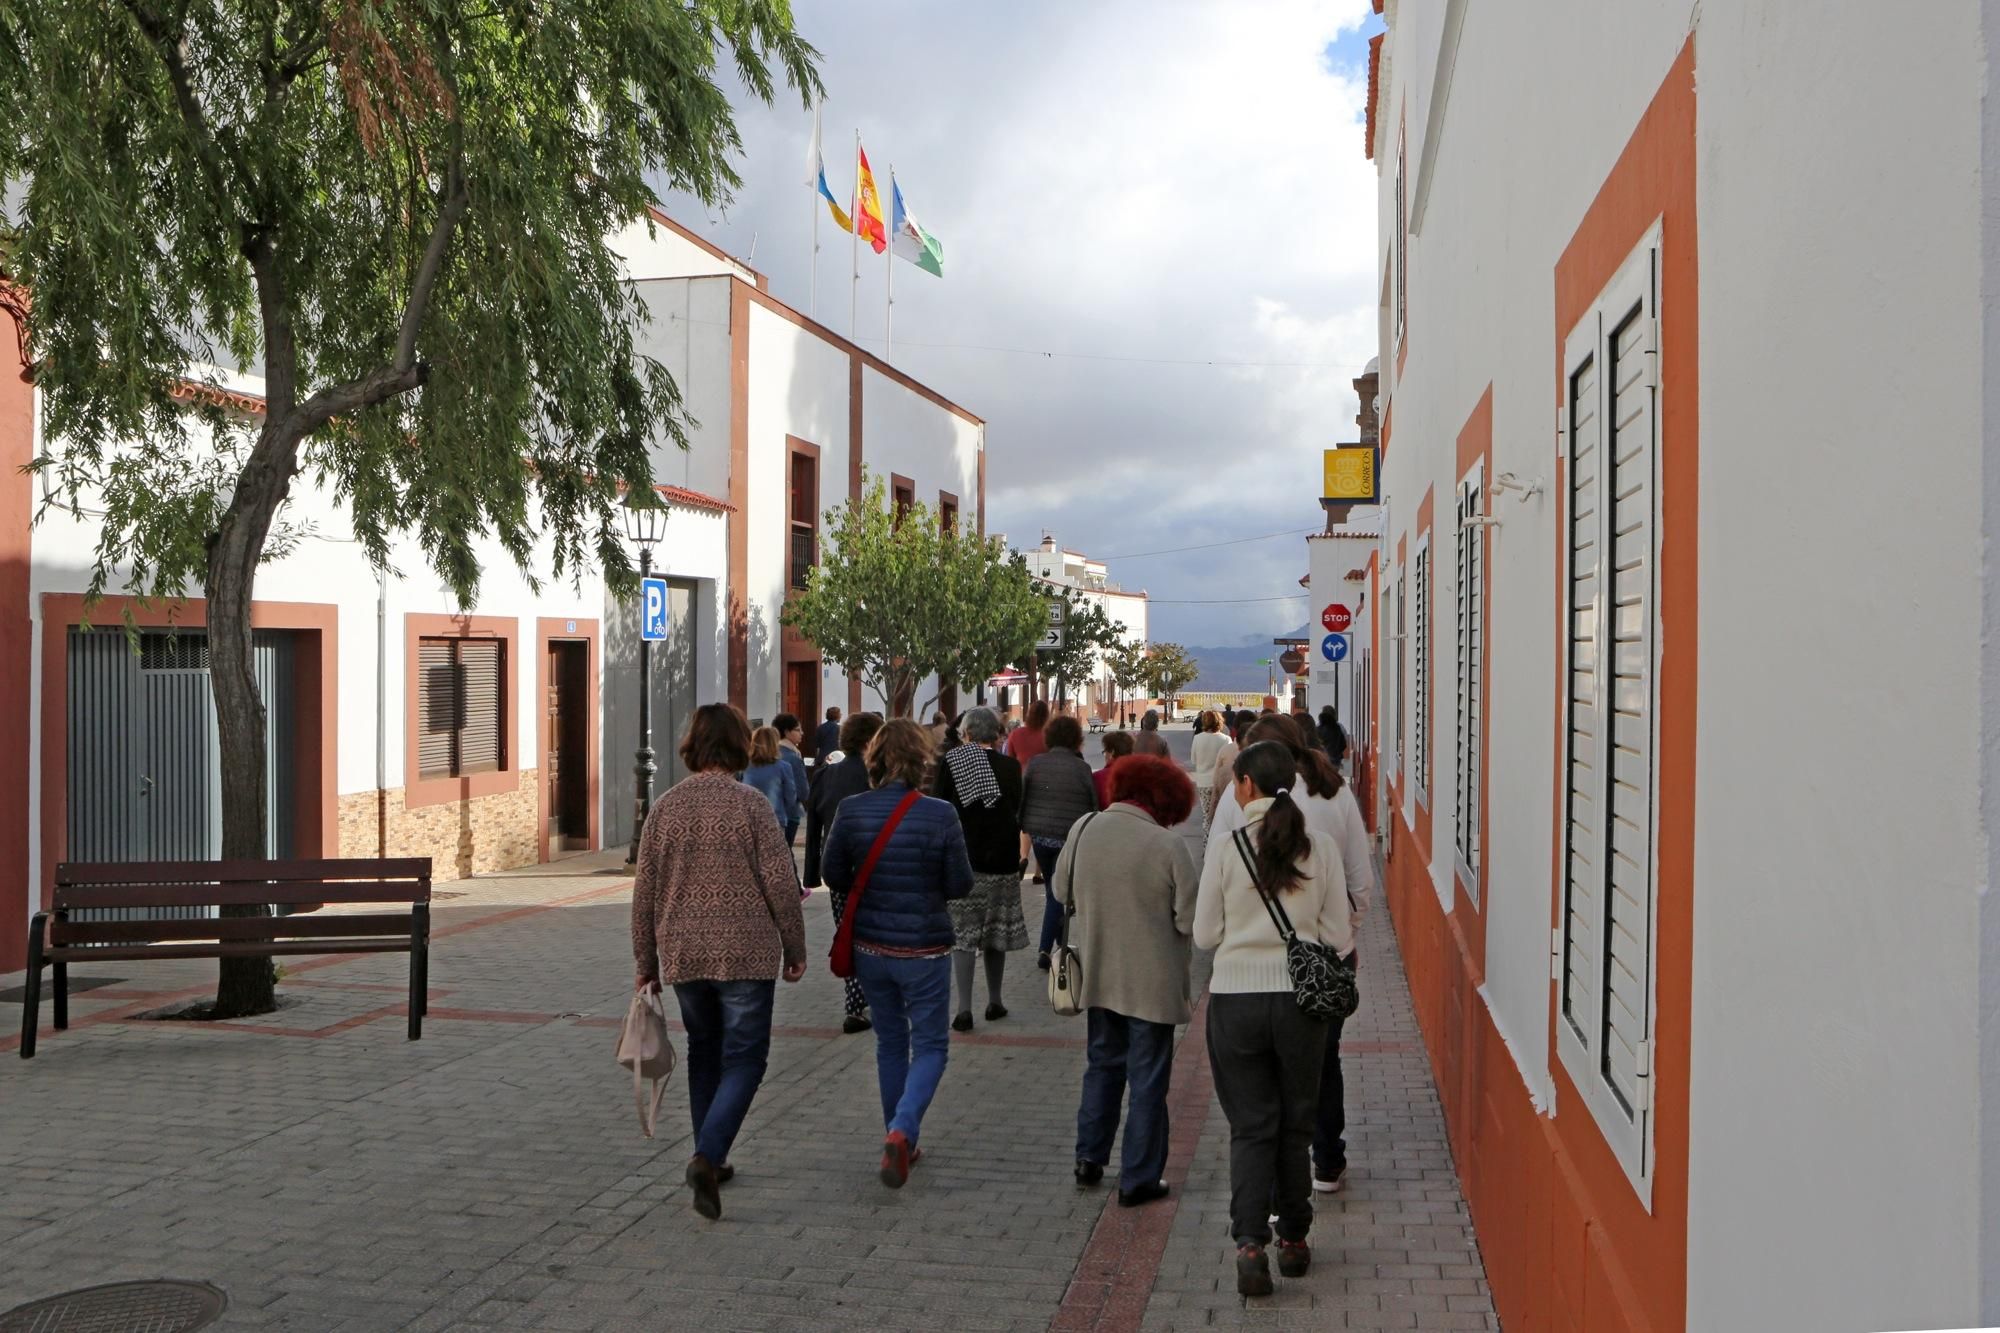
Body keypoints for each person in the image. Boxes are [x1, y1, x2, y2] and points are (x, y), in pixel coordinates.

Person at [631, 703, 807, 1222]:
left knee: (706, 1052)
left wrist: (646, 961)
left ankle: (714, 1154)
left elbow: (645, 894)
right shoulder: (751, 806)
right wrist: (795, 950)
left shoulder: (665, 808)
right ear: (738, 747)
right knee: (747, 1059)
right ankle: (707, 1155)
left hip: (685, 953)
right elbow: (780, 883)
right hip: (746, 951)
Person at [1195, 740, 1351, 1295]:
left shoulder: (1226, 848)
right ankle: (1294, 1240)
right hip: (1300, 1007)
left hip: (1235, 1001)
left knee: (1251, 1126)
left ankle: (1248, 1244)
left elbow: (1204, 934)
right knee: (1295, 1123)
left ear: (1244, 786)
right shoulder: (1322, 847)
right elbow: (1339, 936)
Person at [821, 720, 975, 1188]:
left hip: (871, 946)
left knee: (890, 1042)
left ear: (874, 758)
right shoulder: (940, 814)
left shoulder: (851, 810)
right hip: (925, 948)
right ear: (921, 760)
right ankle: (902, 1131)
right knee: (930, 1044)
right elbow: (960, 883)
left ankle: (901, 1137)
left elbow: (834, 875)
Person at [1060, 755, 1199, 1206]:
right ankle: (1138, 1177)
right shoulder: (1168, 846)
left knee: (1102, 1065)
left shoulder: (1084, 829)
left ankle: (1089, 1158)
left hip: (1099, 975)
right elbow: (1189, 920)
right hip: (1151, 984)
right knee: (1148, 1079)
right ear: (1166, 801)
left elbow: (1062, 892)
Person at [931, 707, 1029, 1032]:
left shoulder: (951, 763)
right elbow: (1015, 808)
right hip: (1002, 860)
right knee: (995, 934)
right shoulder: (1011, 766)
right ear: (996, 734)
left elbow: (939, 807)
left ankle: (963, 1008)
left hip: (962, 861)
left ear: (968, 733)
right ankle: (996, 1001)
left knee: (963, 937)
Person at [804, 711, 884, 1033]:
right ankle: (870, 1001)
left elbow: (813, 826)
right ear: (869, 742)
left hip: (837, 872)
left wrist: (812, 873)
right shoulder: (879, 776)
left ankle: (856, 1003)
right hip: (877, 871)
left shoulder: (825, 775)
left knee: (848, 933)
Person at [1021, 714, 1100, 969]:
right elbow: (1093, 805)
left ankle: (1059, 944)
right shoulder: (1082, 768)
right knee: (1058, 895)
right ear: (1076, 739)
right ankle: (1045, 949)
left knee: (1053, 892)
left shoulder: (1035, 763)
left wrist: (1022, 825)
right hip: (1069, 838)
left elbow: (1024, 797)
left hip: (1040, 837)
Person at [1007, 700, 1052, 880]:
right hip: (1044, 783)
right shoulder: (1048, 735)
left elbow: (1009, 759)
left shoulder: (1016, 734)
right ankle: (1039, 873)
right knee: (1041, 826)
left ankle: (1023, 857)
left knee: (1025, 823)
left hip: (1022, 782)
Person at [743, 726, 804, 843]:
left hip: (748, 821)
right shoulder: (784, 767)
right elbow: (790, 797)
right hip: (775, 819)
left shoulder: (744, 767)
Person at [1190, 710, 1231, 833]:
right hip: (1220, 783)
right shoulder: (1226, 739)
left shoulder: (1197, 738)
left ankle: (1207, 845)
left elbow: (1193, 759)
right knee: (1221, 817)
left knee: (1207, 816)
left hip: (1203, 783)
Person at [772, 712, 810, 845]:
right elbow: (803, 791)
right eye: (798, 730)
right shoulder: (793, 758)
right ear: (787, 732)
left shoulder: (769, 753)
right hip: (789, 814)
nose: (802, 733)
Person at [1094, 729, 1134, 808]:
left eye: (1105, 751)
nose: (1104, 755)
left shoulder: (1097, 777)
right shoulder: (1140, 775)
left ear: (1112, 752)